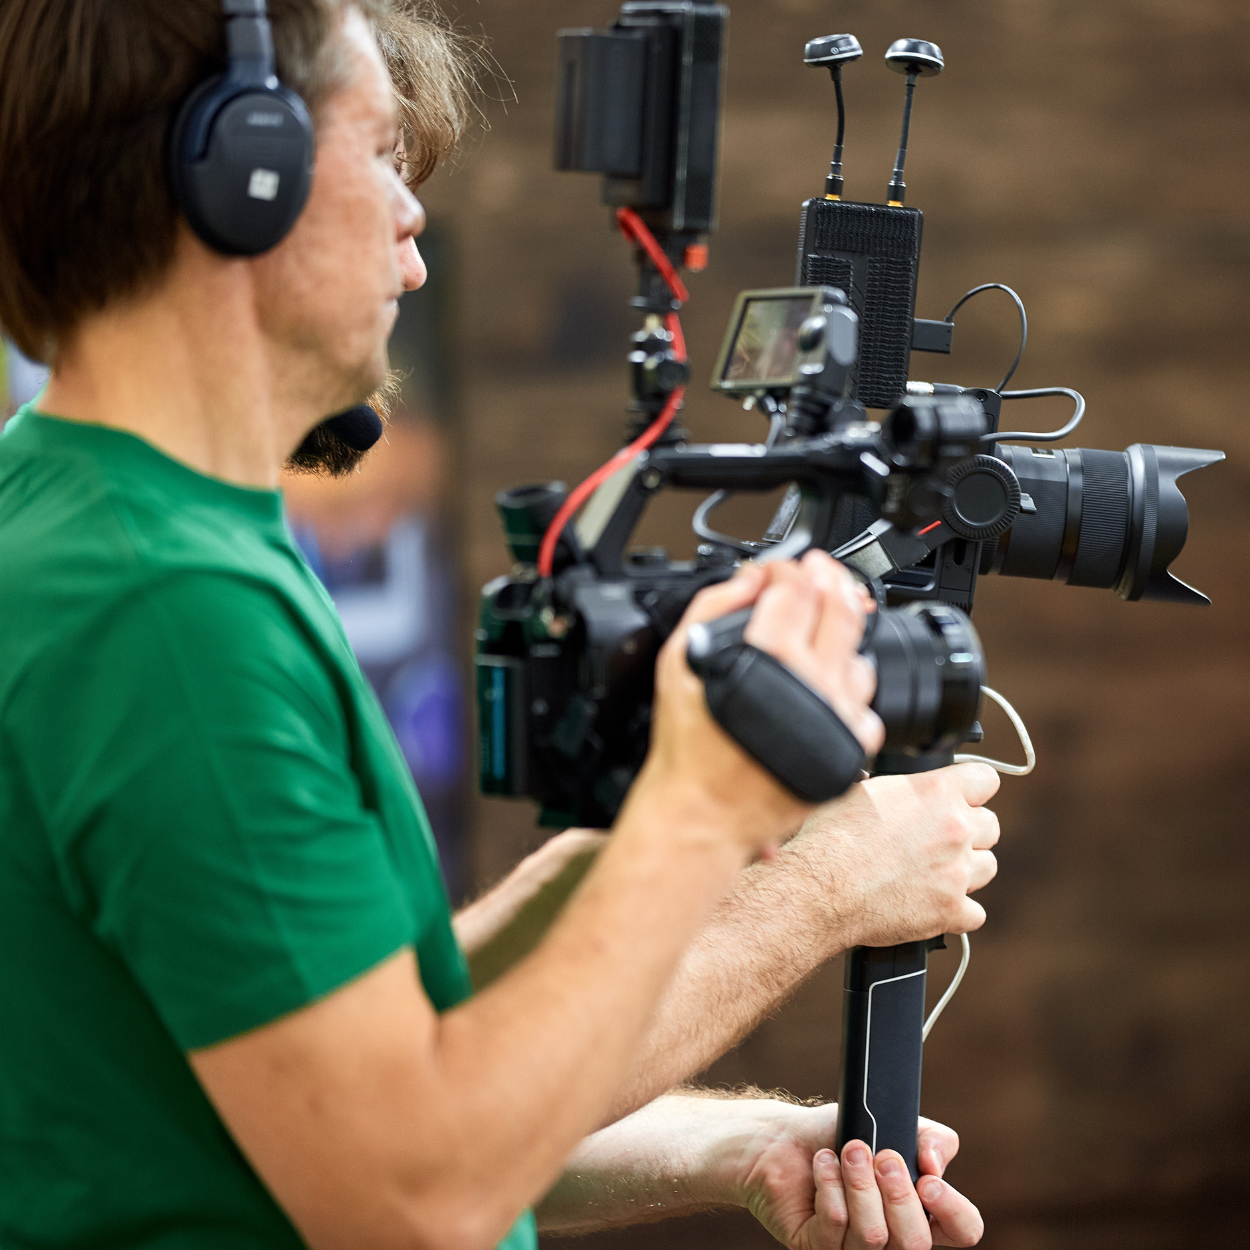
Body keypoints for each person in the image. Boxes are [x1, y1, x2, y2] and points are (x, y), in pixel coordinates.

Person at [0, 3, 1000, 1248]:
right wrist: (800, 874)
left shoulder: (92, 513)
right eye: (378, 160)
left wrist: (724, 1138)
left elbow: (371, 1062)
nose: (414, 244)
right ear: (236, 173)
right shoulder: (163, 612)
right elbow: (408, 1192)